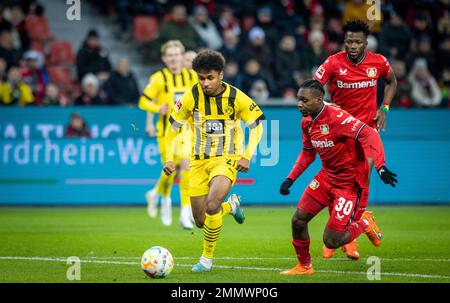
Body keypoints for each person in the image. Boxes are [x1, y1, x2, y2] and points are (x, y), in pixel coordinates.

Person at [279, 79, 397, 275]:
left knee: (331, 240)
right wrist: (291, 178)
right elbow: (308, 153)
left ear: (319, 99)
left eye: (305, 100)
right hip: (326, 177)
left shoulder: (337, 117)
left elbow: (369, 134)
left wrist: (381, 166)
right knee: (298, 220)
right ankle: (304, 266)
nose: (300, 104)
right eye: (298, 100)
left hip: (349, 183)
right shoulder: (307, 122)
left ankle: (365, 223)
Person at [163, 50, 265, 272]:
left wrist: (247, 154)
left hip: (226, 158)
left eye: (210, 77)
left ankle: (206, 260)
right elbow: (172, 129)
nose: (205, 83)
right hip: (198, 161)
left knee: (211, 205)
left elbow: (257, 126)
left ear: (220, 75)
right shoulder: (190, 97)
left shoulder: (236, 97)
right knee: (200, 221)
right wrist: (170, 158)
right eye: (201, 78)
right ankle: (232, 206)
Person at [313, 20, 397, 260]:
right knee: (336, 181)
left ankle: (349, 238)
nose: (353, 46)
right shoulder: (332, 62)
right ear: (344, 41)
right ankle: (340, 234)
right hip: (338, 131)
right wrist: (327, 104)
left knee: (360, 182)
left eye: (357, 42)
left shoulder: (378, 62)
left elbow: (392, 82)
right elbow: (313, 86)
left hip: (366, 130)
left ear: (365, 43)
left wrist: (385, 107)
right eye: (349, 41)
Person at [138, 40, 198, 229]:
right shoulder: (158, 78)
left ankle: (184, 213)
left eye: (177, 55)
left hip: (187, 131)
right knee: (170, 170)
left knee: (187, 168)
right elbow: (142, 102)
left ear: (182, 57)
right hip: (166, 132)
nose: (173, 58)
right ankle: (163, 199)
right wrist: (157, 108)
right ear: (165, 59)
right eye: (170, 55)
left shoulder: (192, 77)